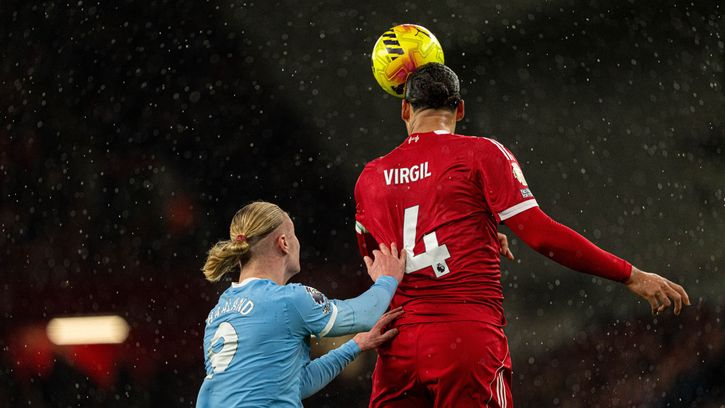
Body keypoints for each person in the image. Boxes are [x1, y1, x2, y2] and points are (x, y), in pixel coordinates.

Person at [353, 63, 691, 407]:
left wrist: (474, 230)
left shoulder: (370, 177)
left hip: (398, 348)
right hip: (464, 338)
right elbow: (542, 235)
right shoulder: (480, 153)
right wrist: (629, 274)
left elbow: (376, 261)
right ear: (460, 108)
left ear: (405, 109)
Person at [196, 201, 406, 407]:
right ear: (284, 243)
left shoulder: (218, 312)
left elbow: (293, 385)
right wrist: (387, 278)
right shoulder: (288, 300)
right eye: (294, 234)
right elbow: (364, 315)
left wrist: (356, 345)